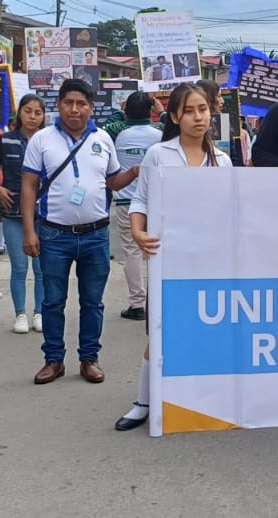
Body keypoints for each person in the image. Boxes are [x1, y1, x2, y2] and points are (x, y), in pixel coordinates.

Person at [117, 83, 233, 432]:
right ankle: (143, 402)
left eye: (203, 109)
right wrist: (138, 232)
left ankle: (200, 399)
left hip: (211, 261)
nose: (198, 117)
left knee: (205, 329)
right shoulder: (158, 154)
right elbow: (140, 200)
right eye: (189, 111)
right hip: (168, 259)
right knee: (161, 329)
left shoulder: (223, 161)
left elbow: (230, 210)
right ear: (174, 117)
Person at [21, 78, 140, 385]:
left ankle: (89, 359)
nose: (75, 109)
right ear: (59, 105)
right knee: (52, 302)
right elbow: (28, 186)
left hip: (96, 235)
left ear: (91, 108)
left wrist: (134, 172)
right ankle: (53, 360)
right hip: (53, 235)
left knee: (92, 302)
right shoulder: (42, 140)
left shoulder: (103, 139)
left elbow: (112, 181)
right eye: (69, 103)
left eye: (81, 104)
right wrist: (29, 231)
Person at [0, 95, 46, 332]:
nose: (32, 117)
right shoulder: (5, 140)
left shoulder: (49, 141)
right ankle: (20, 314)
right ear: (19, 112)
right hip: (12, 213)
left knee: (41, 269)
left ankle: (39, 312)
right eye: (28, 111)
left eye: (37, 113)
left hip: (44, 215)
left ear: (43, 116)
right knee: (19, 267)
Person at [111, 92, 162, 321]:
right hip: (155, 199)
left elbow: (107, 122)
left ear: (127, 111)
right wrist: (161, 111)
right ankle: (158, 300)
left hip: (126, 200)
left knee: (131, 253)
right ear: (150, 110)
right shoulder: (160, 134)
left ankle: (137, 304)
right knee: (156, 251)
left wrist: (120, 111)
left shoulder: (118, 134)